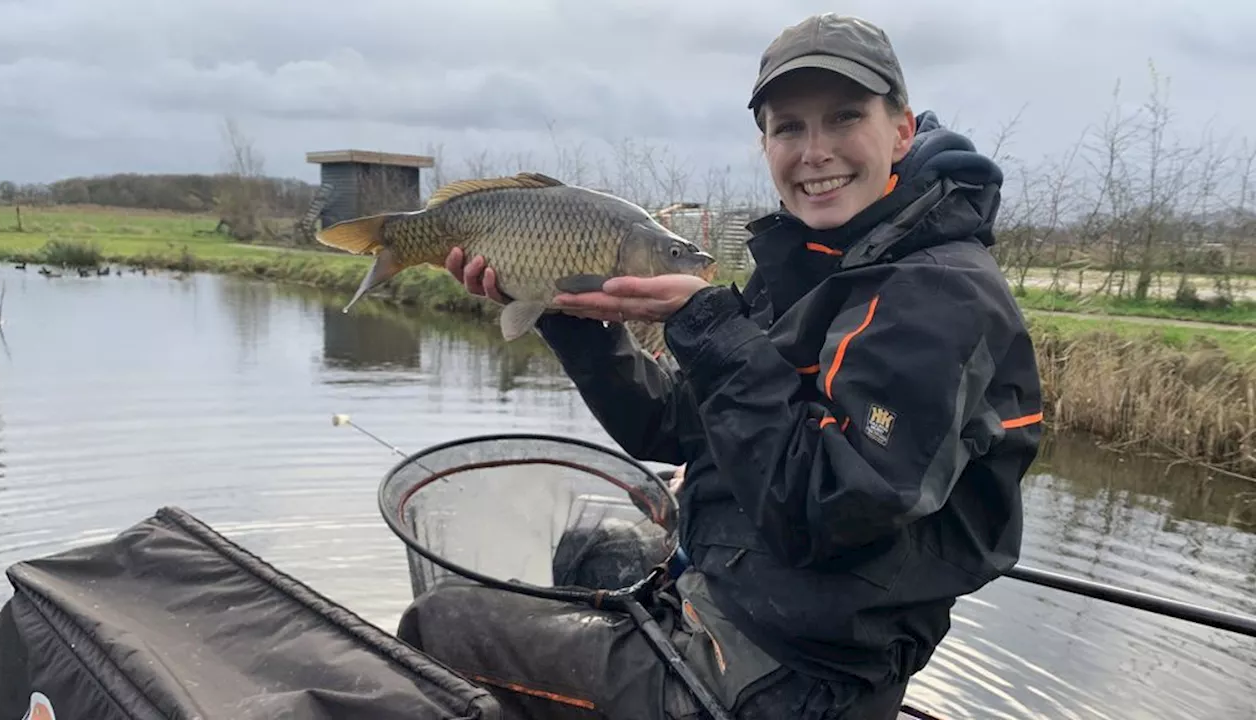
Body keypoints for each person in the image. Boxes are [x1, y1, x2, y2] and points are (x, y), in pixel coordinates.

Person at [398, 11, 1044, 720]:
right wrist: (561, 307)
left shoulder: (939, 296)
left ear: (902, 130)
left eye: (844, 117)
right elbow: (673, 427)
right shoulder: (812, 258)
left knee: (441, 624)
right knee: (587, 550)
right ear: (765, 143)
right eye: (789, 127)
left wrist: (705, 322)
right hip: (740, 595)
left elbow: (827, 509)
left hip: (800, 674)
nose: (815, 150)